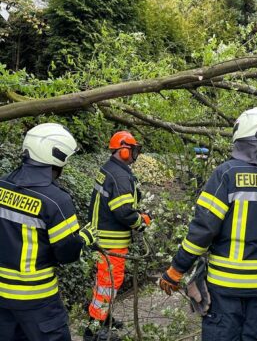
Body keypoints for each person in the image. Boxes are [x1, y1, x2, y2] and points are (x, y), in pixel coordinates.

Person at [159, 107, 257, 341]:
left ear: (238, 135)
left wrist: (176, 269)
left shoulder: (226, 174)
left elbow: (203, 230)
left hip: (225, 287)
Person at [0, 123, 97, 341]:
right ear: (56, 156)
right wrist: (84, 238)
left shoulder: (2, 185)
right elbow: (66, 254)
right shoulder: (56, 201)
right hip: (37, 301)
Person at [84, 131, 151, 341]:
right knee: (108, 283)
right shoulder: (120, 175)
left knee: (105, 282)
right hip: (110, 241)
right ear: (123, 151)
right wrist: (141, 221)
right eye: (133, 150)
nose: (134, 154)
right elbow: (123, 211)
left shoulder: (109, 169)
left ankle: (104, 318)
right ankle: (94, 329)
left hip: (101, 236)